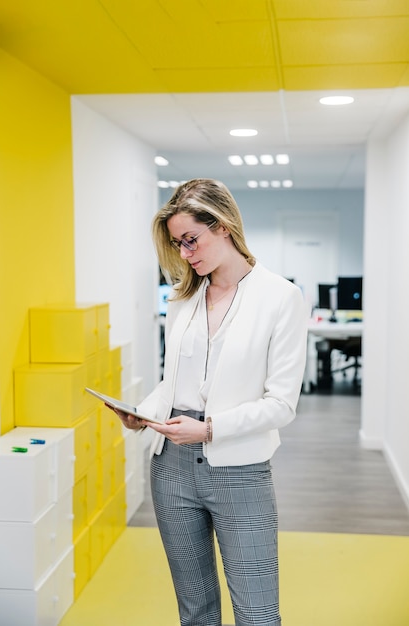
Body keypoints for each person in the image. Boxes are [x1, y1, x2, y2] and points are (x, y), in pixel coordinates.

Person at [114, 179, 308, 626]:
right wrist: (143, 412)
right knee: (196, 610)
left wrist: (209, 429)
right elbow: (173, 382)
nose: (184, 254)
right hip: (171, 470)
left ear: (222, 226)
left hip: (239, 469)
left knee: (258, 612)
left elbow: (281, 404)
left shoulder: (280, 297)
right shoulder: (184, 297)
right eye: (177, 244)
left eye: (190, 240)